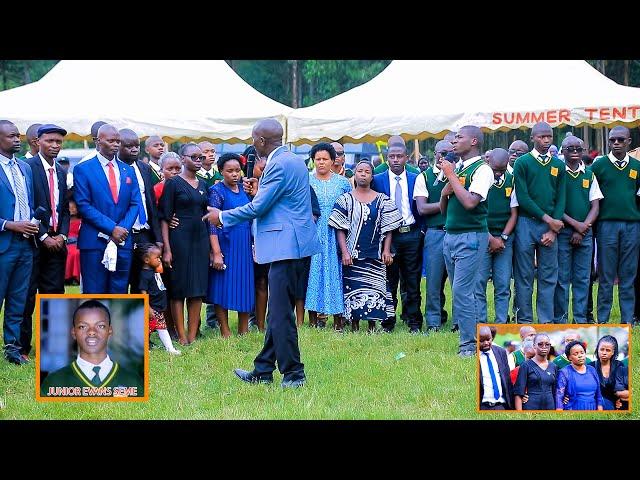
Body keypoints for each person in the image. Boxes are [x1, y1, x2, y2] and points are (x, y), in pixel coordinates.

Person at [204, 118, 321, 388]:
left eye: (253, 138)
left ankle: (294, 374)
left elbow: (257, 207)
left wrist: (220, 216)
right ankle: (263, 370)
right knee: (277, 313)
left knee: (280, 315)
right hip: (292, 244)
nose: (252, 141)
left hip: (286, 246)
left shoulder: (278, 165)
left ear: (260, 140)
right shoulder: (293, 159)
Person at [439, 126, 494, 356]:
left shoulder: (482, 170)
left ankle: (469, 345)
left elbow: (471, 203)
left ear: (473, 141)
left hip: (471, 237)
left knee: (463, 292)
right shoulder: (459, 168)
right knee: (459, 291)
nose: (453, 142)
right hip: (450, 235)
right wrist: (444, 192)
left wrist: (451, 175)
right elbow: (445, 208)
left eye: (458, 138)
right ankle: (470, 340)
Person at [329, 160, 402, 332]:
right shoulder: (345, 200)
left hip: (375, 254)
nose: (363, 174)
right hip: (352, 255)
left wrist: (386, 250)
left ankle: (372, 326)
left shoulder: (383, 200)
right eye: (359, 171)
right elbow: (339, 227)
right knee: (353, 289)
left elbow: (389, 227)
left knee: (375, 289)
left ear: (371, 176)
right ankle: (354, 325)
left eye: (367, 171)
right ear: (354, 174)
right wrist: (344, 252)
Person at [73, 125, 141, 294]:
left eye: (118, 141)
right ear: (97, 141)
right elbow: (83, 204)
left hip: (122, 241)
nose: (116, 144)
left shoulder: (129, 170)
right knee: (95, 293)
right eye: (111, 140)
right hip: (94, 242)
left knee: (120, 291)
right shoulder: (83, 169)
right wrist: (112, 229)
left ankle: (116, 322)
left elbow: (135, 204)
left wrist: (122, 229)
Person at [22, 124, 71, 361]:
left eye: (58, 142)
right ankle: (21, 348)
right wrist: (43, 236)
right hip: (32, 240)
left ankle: (52, 345)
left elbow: (65, 209)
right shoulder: (27, 168)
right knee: (28, 296)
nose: (54, 145)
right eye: (50, 141)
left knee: (54, 294)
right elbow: (26, 206)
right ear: (37, 142)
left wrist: (61, 235)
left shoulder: (61, 172)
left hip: (57, 242)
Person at [513, 122, 566, 324]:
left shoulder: (558, 165)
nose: (545, 141)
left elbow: (561, 198)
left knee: (548, 275)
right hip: (526, 223)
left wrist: (553, 229)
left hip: (551, 228)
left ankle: (546, 321)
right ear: (532, 138)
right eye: (541, 137)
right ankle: (524, 321)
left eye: (549, 137)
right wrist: (548, 220)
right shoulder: (522, 163)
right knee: (524, 276)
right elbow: (523, 197)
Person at [159, 143, 210, 346]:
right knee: (179, 288)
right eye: (194, 157)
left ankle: (192, 333)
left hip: (200, 239)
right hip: (178, 239)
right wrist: (167, 249)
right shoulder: (172, 184)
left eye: (201, 157)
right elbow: (164, 217)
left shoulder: (204, 184)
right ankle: (181, 336)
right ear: (183, 159)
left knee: (197, 289)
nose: (198, 160)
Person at [371, 136, 423, 333]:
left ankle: (414, 322)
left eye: (399, 156)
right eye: (391, 156)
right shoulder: (378, 180)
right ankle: (388, 322)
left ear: (406, 157)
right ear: (386, 157)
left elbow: (421, 205)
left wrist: (422, 230)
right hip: (389, 238)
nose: (395, 160)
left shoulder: (416, 177)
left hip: (411, 234)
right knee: (389, 282)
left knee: (412, 281)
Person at [40, 299, 144, 397]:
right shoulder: (54, 382)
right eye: (83, 327)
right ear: (73, 332)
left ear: (110, 330)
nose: (91, 332)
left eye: (100, 326)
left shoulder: (132, 381)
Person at [591, 126, 640, 324]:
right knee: (606, 277)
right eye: (612, 140)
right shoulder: (599, 165)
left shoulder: (637, 166)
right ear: (609, 142)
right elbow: (591, 196)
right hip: (607, 225)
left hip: (632, 226)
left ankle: (627, 321)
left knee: (628, 276)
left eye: (621, 139)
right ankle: (602, 321)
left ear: (629, 142)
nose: (616, 143)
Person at [0, 120, 38, 365]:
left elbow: (29, 202)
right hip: (3, 243)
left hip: (25, 244)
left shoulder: (25, 168)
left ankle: (12, 349)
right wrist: (9, 224)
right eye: (12, 136)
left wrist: (31, 222)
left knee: (18, 299)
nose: (17, 139)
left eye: (18, 136)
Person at [553, 136, 603, 323]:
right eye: (569, 148)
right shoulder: (558, 173)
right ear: (562, 151)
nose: (574, 151)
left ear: (584, 151)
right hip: (564, 232)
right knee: (562, 279)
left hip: (585, 234)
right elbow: (556, 205)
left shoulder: (589, 175)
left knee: (583, 279)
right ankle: (561, 319)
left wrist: (583, 229)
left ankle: (580, 319)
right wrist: (576, 226)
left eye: (578, 148)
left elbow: (595, 206)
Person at [206, 153, 254, 337]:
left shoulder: (245, 190)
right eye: (229, 171)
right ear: (221, 172)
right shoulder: (217, 191)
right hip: (225, 242)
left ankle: (244, 329)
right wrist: (216, 252)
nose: (234, 174)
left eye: (237, 170)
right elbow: (211, 222)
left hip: (244, 243)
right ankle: (225, 330)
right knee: (222, 286)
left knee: (245, 285)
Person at [305, 143, 352, 330]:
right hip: (313, 233)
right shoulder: (306, 180)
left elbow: (349, 207)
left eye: (325, 159)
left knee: (336, 273)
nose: (321, 162)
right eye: (318, 159)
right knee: (313, 274)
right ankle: (314, 319)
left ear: (333, 161)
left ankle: (338, 320)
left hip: (336, 234)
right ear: (313, 161)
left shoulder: (343, 183)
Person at [117, 129, 163, 295]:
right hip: (123, 232)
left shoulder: (144, 168)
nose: (134, 149)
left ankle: (140, 321)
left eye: (137, 145)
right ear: (118, 146)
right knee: (121, 281)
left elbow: (150, 202)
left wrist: (157, 237)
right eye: (129, 146)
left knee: (141, 283)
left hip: (144, 232)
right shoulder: (113, 169)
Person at [475, 148, 518, 324]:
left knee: (503, 284)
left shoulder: (512, 180)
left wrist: (503, 238)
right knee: (479, 284)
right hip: (483, 236)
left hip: (504, 240)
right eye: (495, 170)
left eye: (502, 169)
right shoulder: (480, 180)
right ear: (488, 162)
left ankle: (501, 322)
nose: (498, 173)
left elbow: (514, 213)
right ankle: (481, 323)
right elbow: (476, 213)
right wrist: (489, 238)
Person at [414, 140, 452, 332]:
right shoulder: (425, 177)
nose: (442, 156)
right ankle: (434, 322)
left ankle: (459, 323)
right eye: (439, 152)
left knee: (459, 283)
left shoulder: (459, 174)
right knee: (433, 282)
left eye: (447, 152)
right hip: (435, 233)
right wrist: (446, 201)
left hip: (456, 232)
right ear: (434, 154)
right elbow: (422, 208)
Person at [135, 243, 181, 355]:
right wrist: (148, 307)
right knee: (150, 329)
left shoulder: (153, 271)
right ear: (146, 260)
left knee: (159, 328)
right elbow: (143, 291)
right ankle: (166, 348)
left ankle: (169, 348)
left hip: (158, 307)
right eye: (157, 258)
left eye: (160, 257)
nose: (159, 260)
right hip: (152, 308)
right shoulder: (145, 275)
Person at [514, 333, 558, 410]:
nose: (544, 347)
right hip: (531, 408)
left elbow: (556, 391)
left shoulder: (553, 366)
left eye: (547, 344)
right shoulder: (526, 365)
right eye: (540, 344)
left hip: (550, 408)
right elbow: (518, 393)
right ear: (534, 346)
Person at [555, 340, 603, 410]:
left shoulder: (592, 370)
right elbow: (559, 396)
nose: (580, 356)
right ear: (569, 357)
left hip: (593, 410)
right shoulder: (564, 372)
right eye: (575, 354)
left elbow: (598, 395)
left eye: (582, 353)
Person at [478, 326, 514, 410]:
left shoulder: (501, 352)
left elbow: (507, 380)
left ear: (492, 338)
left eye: (488, 339)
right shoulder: (474, 356)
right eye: (481, 341)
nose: (486, 343)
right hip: (483, 406)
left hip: (501, 405)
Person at [592, 335, 625, 410]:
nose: (604, 353)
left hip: (615, 401)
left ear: (613, 352)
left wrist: (619, 399)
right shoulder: (591, 366)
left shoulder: (619, 365)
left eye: (608, 350)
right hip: (596, 402)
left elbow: (623, 387)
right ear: (597, 350)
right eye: (602, 349)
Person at [65, 198, 81, 285]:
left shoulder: (80, 222)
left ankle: (75, 277)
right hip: (65, 243)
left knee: (76, 253)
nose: (72, 210)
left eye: (74, 208)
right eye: (70, 208)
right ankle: (65, 277)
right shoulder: (65, 222)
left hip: (76, 244)